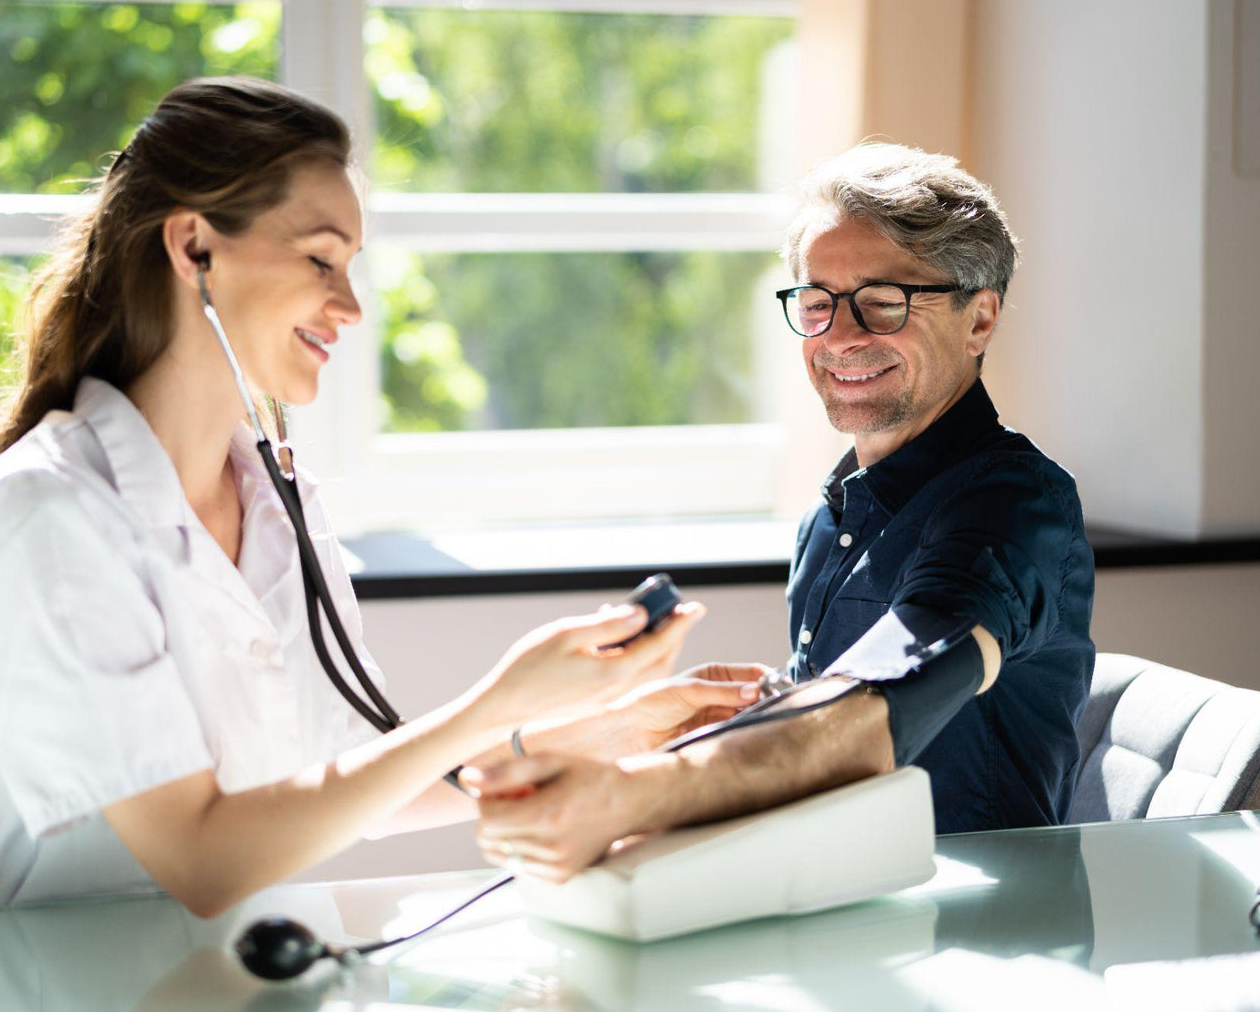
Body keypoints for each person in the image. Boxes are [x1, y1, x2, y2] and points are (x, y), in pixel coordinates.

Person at [0, 76, 766, 917]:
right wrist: (499, 701)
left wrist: (626, 725)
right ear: (194, 247)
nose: (348, 306)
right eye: (320, 260)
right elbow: (201, 857)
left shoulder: (277, 502)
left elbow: (349, 782)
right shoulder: (50, 513)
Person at [466, 142, 1095, 883]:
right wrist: (733, 731)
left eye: (884, 301)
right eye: (819, 302)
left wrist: (634, 796)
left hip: (979, 949)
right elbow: (822, 739)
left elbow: (881, 701)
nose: (840, 336)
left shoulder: (1015, 506)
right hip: (835, 904)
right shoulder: (828, 521)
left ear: (979, 321)